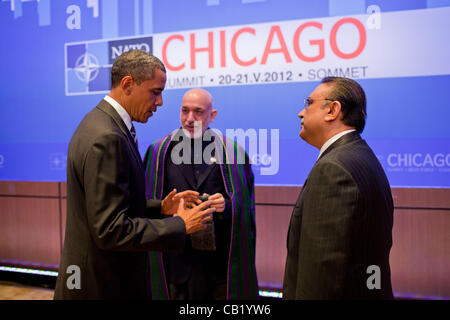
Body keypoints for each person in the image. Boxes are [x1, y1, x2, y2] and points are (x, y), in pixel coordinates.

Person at [54, 50, 215, 300]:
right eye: (155, 91)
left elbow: (109, 204)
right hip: (101, 285)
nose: (160, 102)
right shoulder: (107, 137)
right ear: (128, 84)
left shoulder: (101, 123)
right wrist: (180, 224)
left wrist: (160, 207)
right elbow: (110, 229)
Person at [283, 77, 394, 299]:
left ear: (332, 110)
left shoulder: (333, 169)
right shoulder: (361, 156)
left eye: (309, 103)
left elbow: (320, 277)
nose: (301, 113)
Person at [143, 88, 259, 300]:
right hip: (175, 266)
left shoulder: (234, 153)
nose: (190, 118)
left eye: (198, 111)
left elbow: (244, 204)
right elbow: (148, 205)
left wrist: (226, 205)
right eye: (185, 111)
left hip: (219, 269)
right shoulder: (158, 152)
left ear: (212, 115)